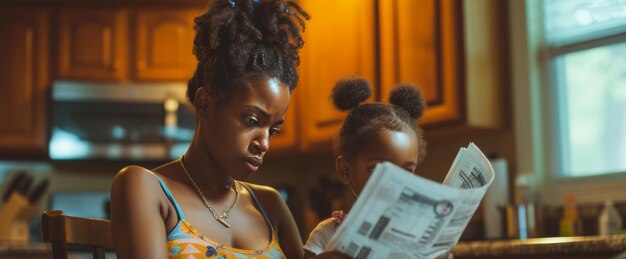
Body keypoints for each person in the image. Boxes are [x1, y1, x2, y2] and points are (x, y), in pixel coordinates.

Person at [110, 0, 348, 258]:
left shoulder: (270, 204)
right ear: (205, 104)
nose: (264, 143)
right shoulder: (146, 187)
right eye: (252, 121)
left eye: (274, 129)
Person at [303, 77, 440, 257]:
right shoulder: (327, 235)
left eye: (406, 171)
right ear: (345, 171)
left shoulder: (417, 235)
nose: (395, 183)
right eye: (377, 169)